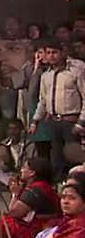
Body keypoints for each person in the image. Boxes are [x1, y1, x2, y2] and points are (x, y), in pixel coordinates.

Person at [31, 40, 85, 180]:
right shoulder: (46, 76)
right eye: (48, 53)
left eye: (55, 52)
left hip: (71, 121)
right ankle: (59, 189)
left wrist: (81, 123)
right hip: (53, 122)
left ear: (63, 53)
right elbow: (43, 101)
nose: (51, 56)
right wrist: (35, 121)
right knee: (56, 159)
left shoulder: (76, 71)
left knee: (74, 158)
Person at [0, 16, 33, 122]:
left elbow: (31, 63)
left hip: (24, 85)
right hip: (7, 84)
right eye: (8, 24)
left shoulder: (27, 43)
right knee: (8, 115)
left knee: (25, 115)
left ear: (19, 26)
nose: (10, 27)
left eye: (14, 24)